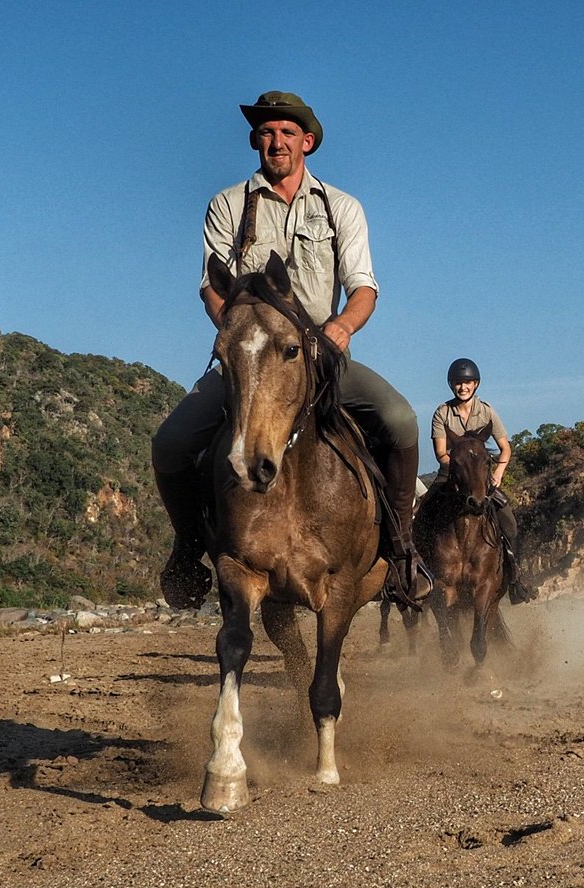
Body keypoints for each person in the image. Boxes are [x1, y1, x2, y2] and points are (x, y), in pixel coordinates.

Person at [151, 91, 432, 610]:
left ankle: (401, 549)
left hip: (319, 356)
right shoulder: (227, 205)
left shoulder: (341, 207)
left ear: (306, 142)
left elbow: (364, 287)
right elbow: (212, 285)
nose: (274, 141)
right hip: (251, 356)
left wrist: (341, 329)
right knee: (169, 444)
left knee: (400, 419)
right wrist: (235, 335)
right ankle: (189, 550)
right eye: (266, 132)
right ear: (255, 141)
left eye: (285, 132)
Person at [430, 358, 536, 604]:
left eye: (467, 383)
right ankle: (419, 575)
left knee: (509, 522)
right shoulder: (442, 413)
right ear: (451, 385)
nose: (463, 387)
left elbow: (505, 448)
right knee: (423, 513)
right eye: (458, 383)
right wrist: (460, 468)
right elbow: (441, 453)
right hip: (451, 474)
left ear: (475, 384)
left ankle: (515, 577)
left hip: (482, 477)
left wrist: (497, 472)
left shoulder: (487, 411)